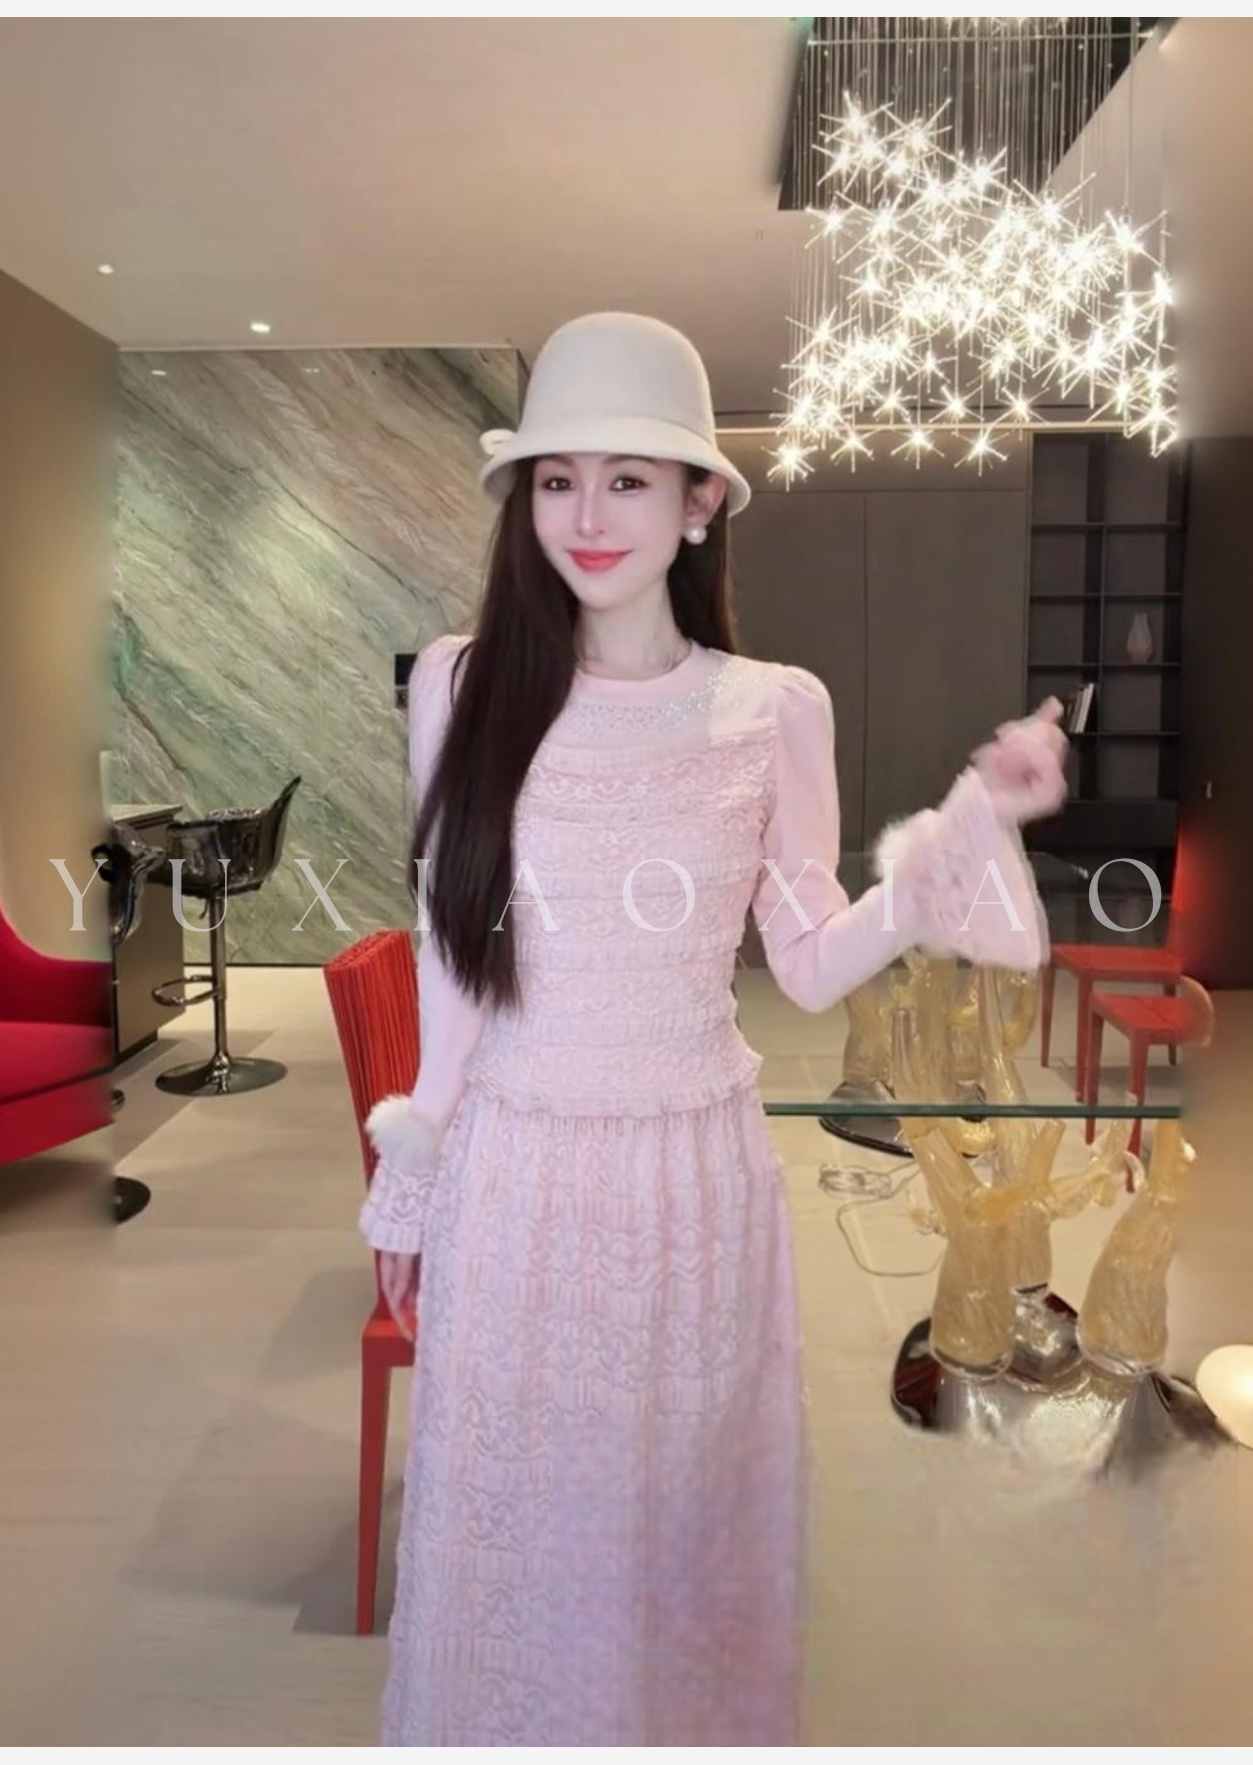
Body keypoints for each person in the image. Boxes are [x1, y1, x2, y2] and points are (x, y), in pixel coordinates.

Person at [357, 311, 1069, 1744]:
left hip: (694, 1182)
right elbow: (452, 955)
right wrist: (414, 1170)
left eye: (629, 479)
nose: (588, 516)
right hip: (518, 1172)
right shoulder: (459, 683)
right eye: (559, 479)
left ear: (698, 504)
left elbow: (807, 960)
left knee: (680, 1541)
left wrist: (955, 839)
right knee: (518, 1542)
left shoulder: (770, 708)